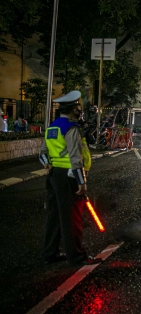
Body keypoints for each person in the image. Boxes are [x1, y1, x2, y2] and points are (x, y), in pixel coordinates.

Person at [39, 90, 102, 266]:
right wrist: (81, 182)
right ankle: (77, 257)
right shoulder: (71, 128)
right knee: (72, 218)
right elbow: (75, 157)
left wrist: (47, 164)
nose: (80, 110)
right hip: (69, 176)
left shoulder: (52, 127)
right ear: (74, 109)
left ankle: (49, 253)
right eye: (78, 107)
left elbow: (42, 153)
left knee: (55, 216)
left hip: (53, 176)